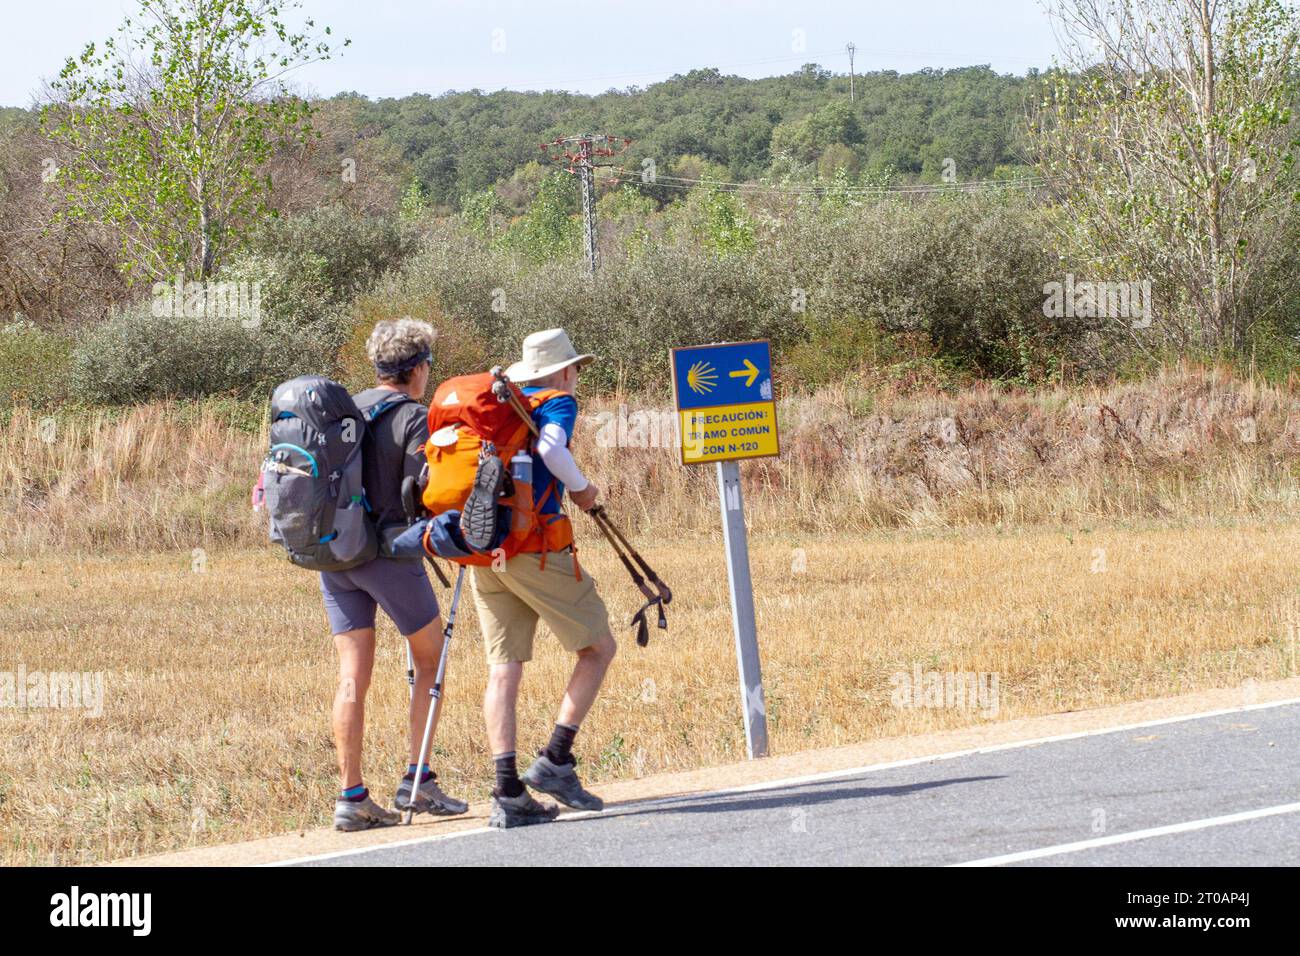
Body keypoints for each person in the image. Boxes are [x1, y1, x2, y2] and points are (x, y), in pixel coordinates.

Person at [470, 328, 619, 829]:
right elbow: (554, 451)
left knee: (504, 666)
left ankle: (507, 790)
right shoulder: (555, 401)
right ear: (562, 370)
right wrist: (582, 490)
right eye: (575, 368)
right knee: (597, 648)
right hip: (533, 545)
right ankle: (556, 759)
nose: (577, 377)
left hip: (483, 548)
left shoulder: (494, 408)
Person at [324, 318, 469, 831]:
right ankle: (418, 779)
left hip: (337, 559)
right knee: (431, 662)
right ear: (420, 367)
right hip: (389, 556)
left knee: (352, 676)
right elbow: (421, 492)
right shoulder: (414, 416)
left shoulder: (346, 408)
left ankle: (351, 796)